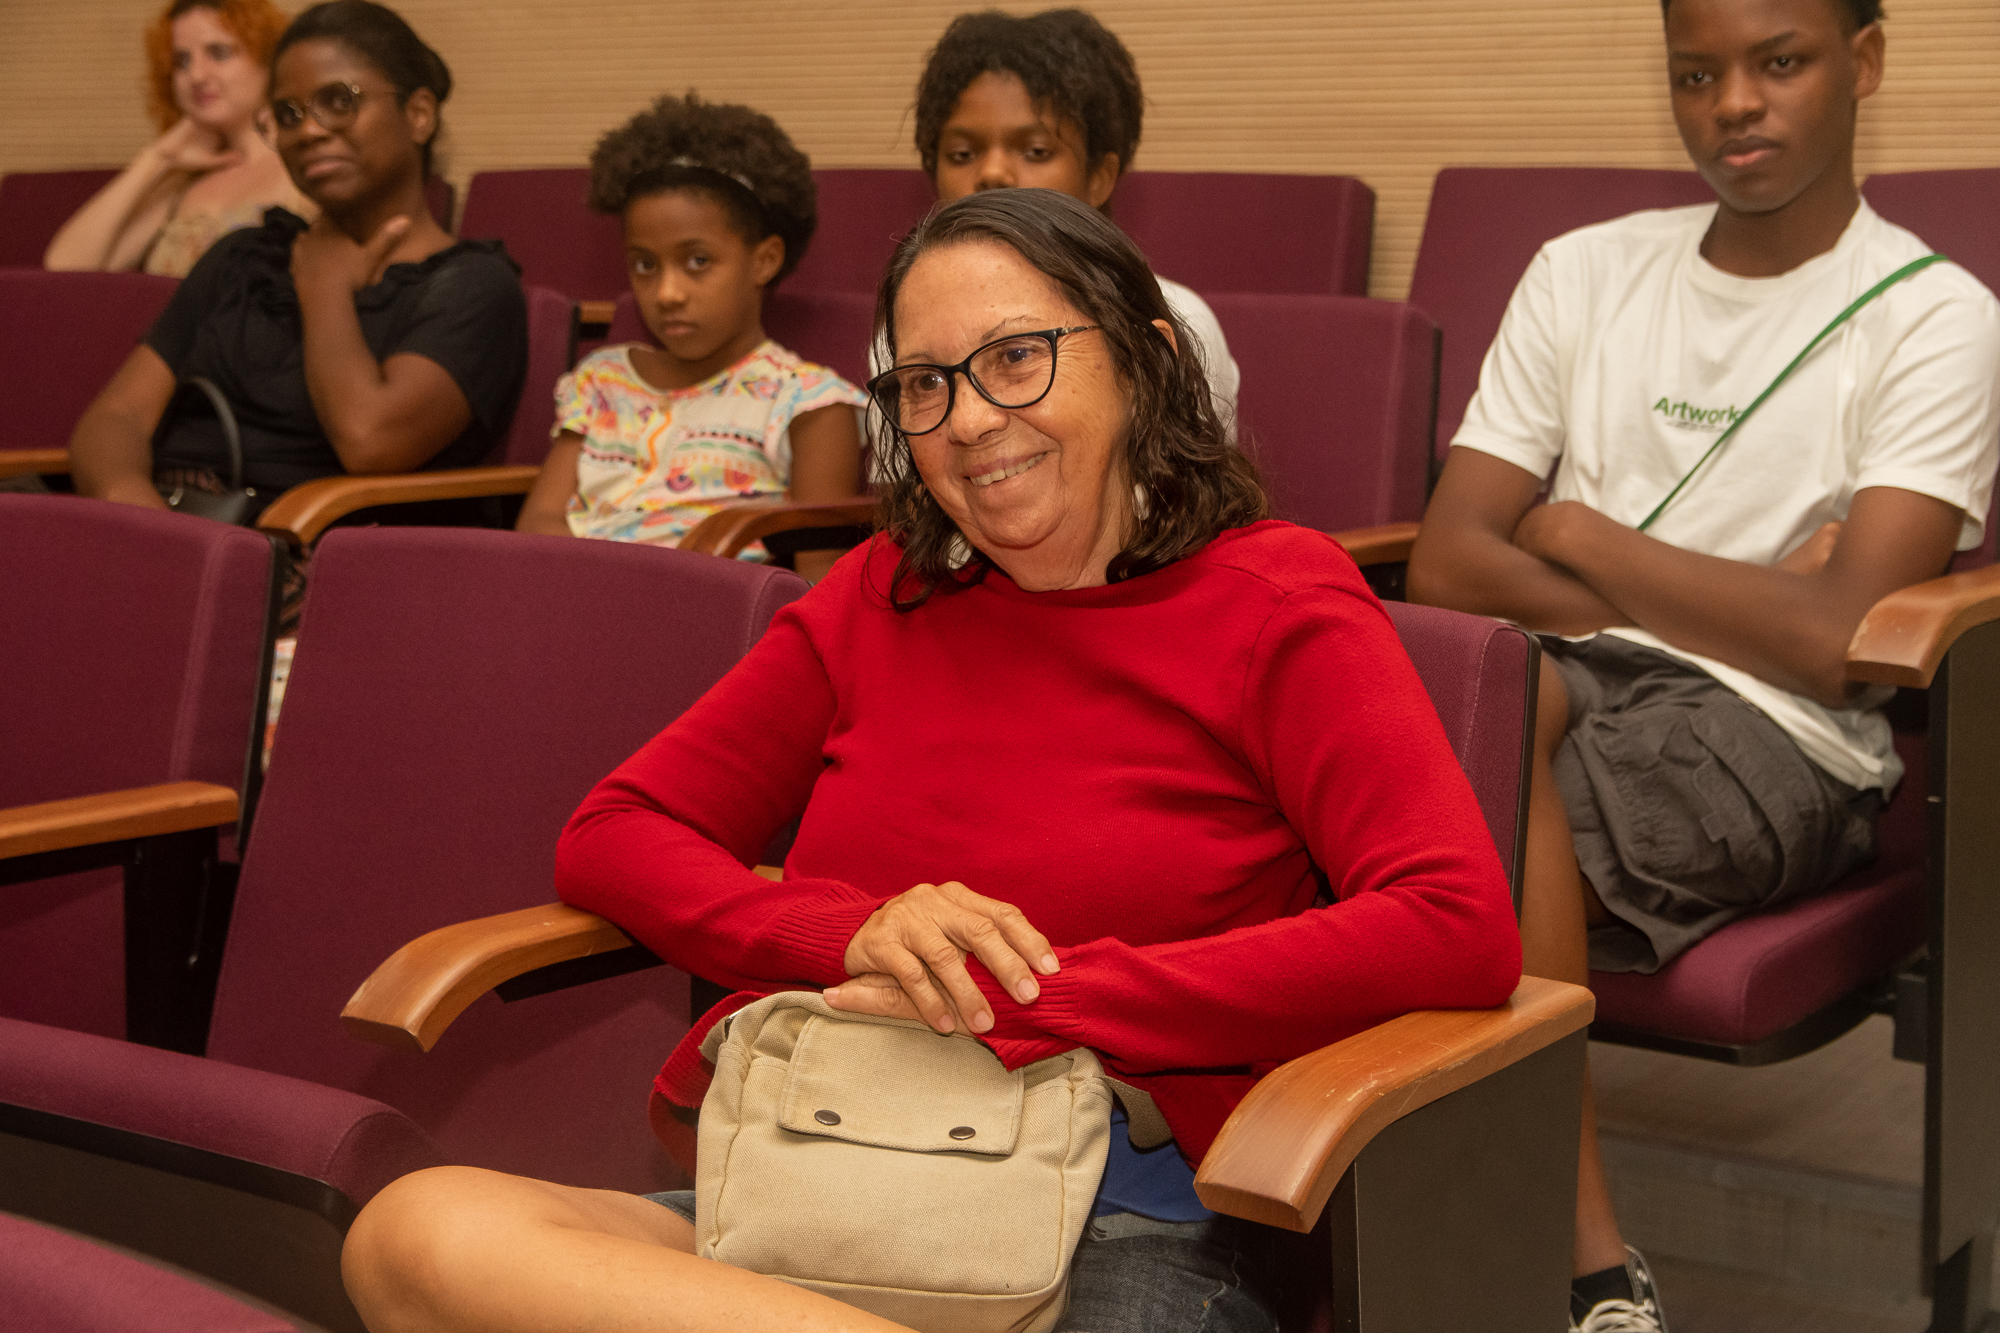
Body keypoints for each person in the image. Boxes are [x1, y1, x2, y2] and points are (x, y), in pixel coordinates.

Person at [340, 189, 1521, 1333]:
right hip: (823, 1183)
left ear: (1145, 361)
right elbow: (614, 833)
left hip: (1122, 1222)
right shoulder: (877, 594)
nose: (966, 420)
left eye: (1015, 359)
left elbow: (1451, 918)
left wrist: (1048, 996)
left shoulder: (1277, 600)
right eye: (923, 383)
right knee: (411, 1235)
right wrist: (844, 931)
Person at [1404, 1, 2000, 1329]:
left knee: (1431, 791)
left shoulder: (1935, 318)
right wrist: (1756, 592)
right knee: (1468, 698)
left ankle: (1547, 1256)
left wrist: (1574, 529)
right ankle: (1563, 1258)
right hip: (1556, 679)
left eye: (1778, 62)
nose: (1733, 102)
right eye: (1696, 72)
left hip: (1774, 737)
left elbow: (1835, 648)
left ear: (1865, 61)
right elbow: (1447, 561)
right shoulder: (1581, 272)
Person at [68, 0, 527, 521]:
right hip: (160, 526)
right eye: (288, 114)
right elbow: (116, 416)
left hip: (309, 550)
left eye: (339, 100)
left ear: (418, 115)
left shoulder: (472, 287)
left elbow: (369, 440)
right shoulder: (243, 259)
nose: (308, 131)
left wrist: (324, 286)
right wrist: (138, 515)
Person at [513, 93, 866, 583]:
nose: (667, 293)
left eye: (697, 261)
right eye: (645, 264)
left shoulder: (808, 403)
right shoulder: (601, 380)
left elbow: (819, 582)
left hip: (708, 613)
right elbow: (537, 523)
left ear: (764, 260)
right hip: (572, 595)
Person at [905, 7, 1241, 425]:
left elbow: (1194, 468)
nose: (992, 173)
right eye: (962, 154)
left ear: (1099, 177)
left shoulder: (1180, 322)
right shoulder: (910, 334)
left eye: (1036, 151)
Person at [44, 0, 314, 277]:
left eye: (218, 53)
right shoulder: (180, 184)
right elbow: (66, 270)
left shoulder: (309, 160)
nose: (196, 75)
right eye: (181, 61)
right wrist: (157, 158)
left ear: (270, 60)